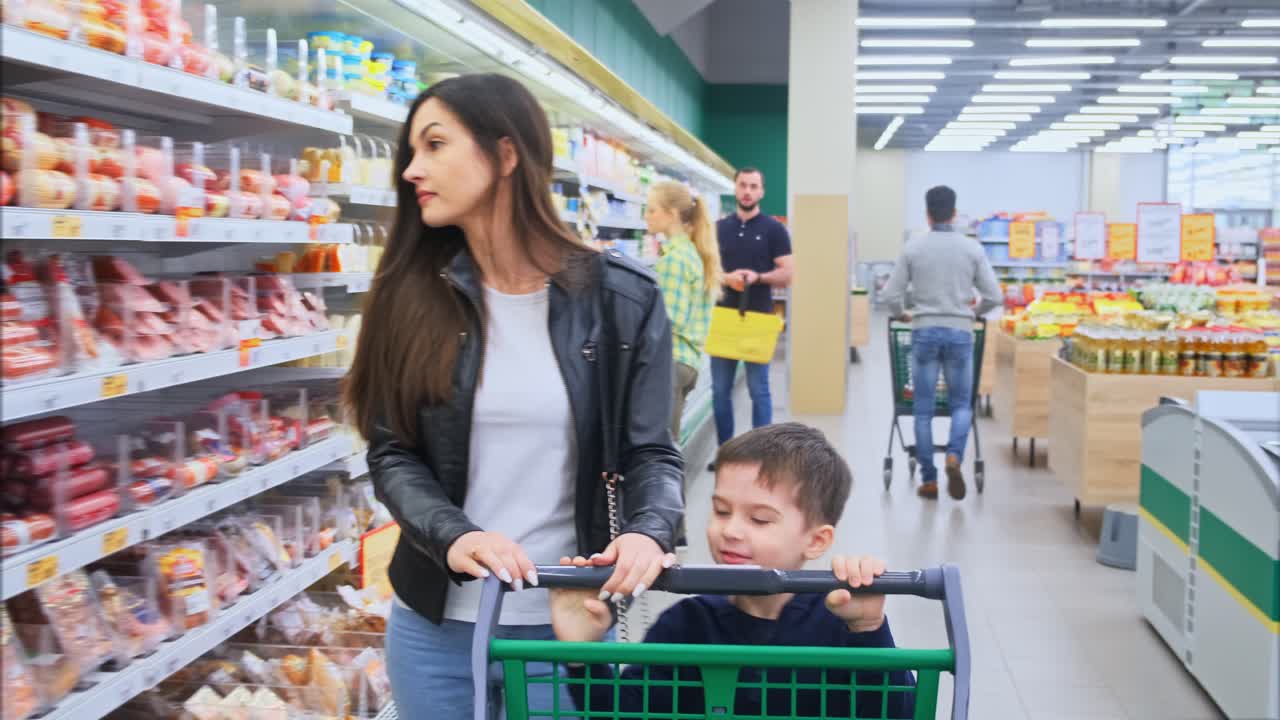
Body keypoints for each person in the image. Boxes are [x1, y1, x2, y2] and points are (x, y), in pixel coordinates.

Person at [343, 74, 684, 719]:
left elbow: (652, 454)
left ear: (505, 156)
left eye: (436, 144)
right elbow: (392, 454)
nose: (414, 168)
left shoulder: (622, 300)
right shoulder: (408, 298)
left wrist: (648, 531)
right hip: (435, 627)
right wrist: (452, 535)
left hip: (569, 623)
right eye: (411, 151)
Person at [550, 423, 915, 719]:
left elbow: (899, 714)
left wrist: (869, 629)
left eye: (759, 519)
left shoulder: (840, 625)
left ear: (816, 541)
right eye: (722, 511)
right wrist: (584, 657)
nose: (731, 530)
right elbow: (625, 713)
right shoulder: (688, 625)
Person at [879, 185, 1001, 501]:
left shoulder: (913, 248)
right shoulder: (972, 249)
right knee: (962, 404)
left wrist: (903, 315)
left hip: (923, 331)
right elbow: (994, 296)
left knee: (922, 410)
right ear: (955, 213)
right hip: (961, 333)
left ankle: (929, 480)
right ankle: (954, 457)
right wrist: (972, 313)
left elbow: (890, 295)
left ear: (928, 215)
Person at [710, 167, 793, 464]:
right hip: (724, 318)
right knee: (719, 392)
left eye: (753, 186)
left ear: (762, 191)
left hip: (758, 317)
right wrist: (725, 277)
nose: (747, 191)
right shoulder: (718, 229)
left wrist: (758, 277)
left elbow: (788, 273)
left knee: (759, 390)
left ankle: (761, 455)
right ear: (735, 189)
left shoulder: (774, 230)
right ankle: (726, 453)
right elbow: (708, 270)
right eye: (743, 185)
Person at [648, 180, 721, 441]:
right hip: (687, 361)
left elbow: (669, 320)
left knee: (660, 451)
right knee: (668, 446)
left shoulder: (674, 260)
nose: (646, 216)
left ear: (672, 214)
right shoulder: (691, 253)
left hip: (671, 362)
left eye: (652, 210)